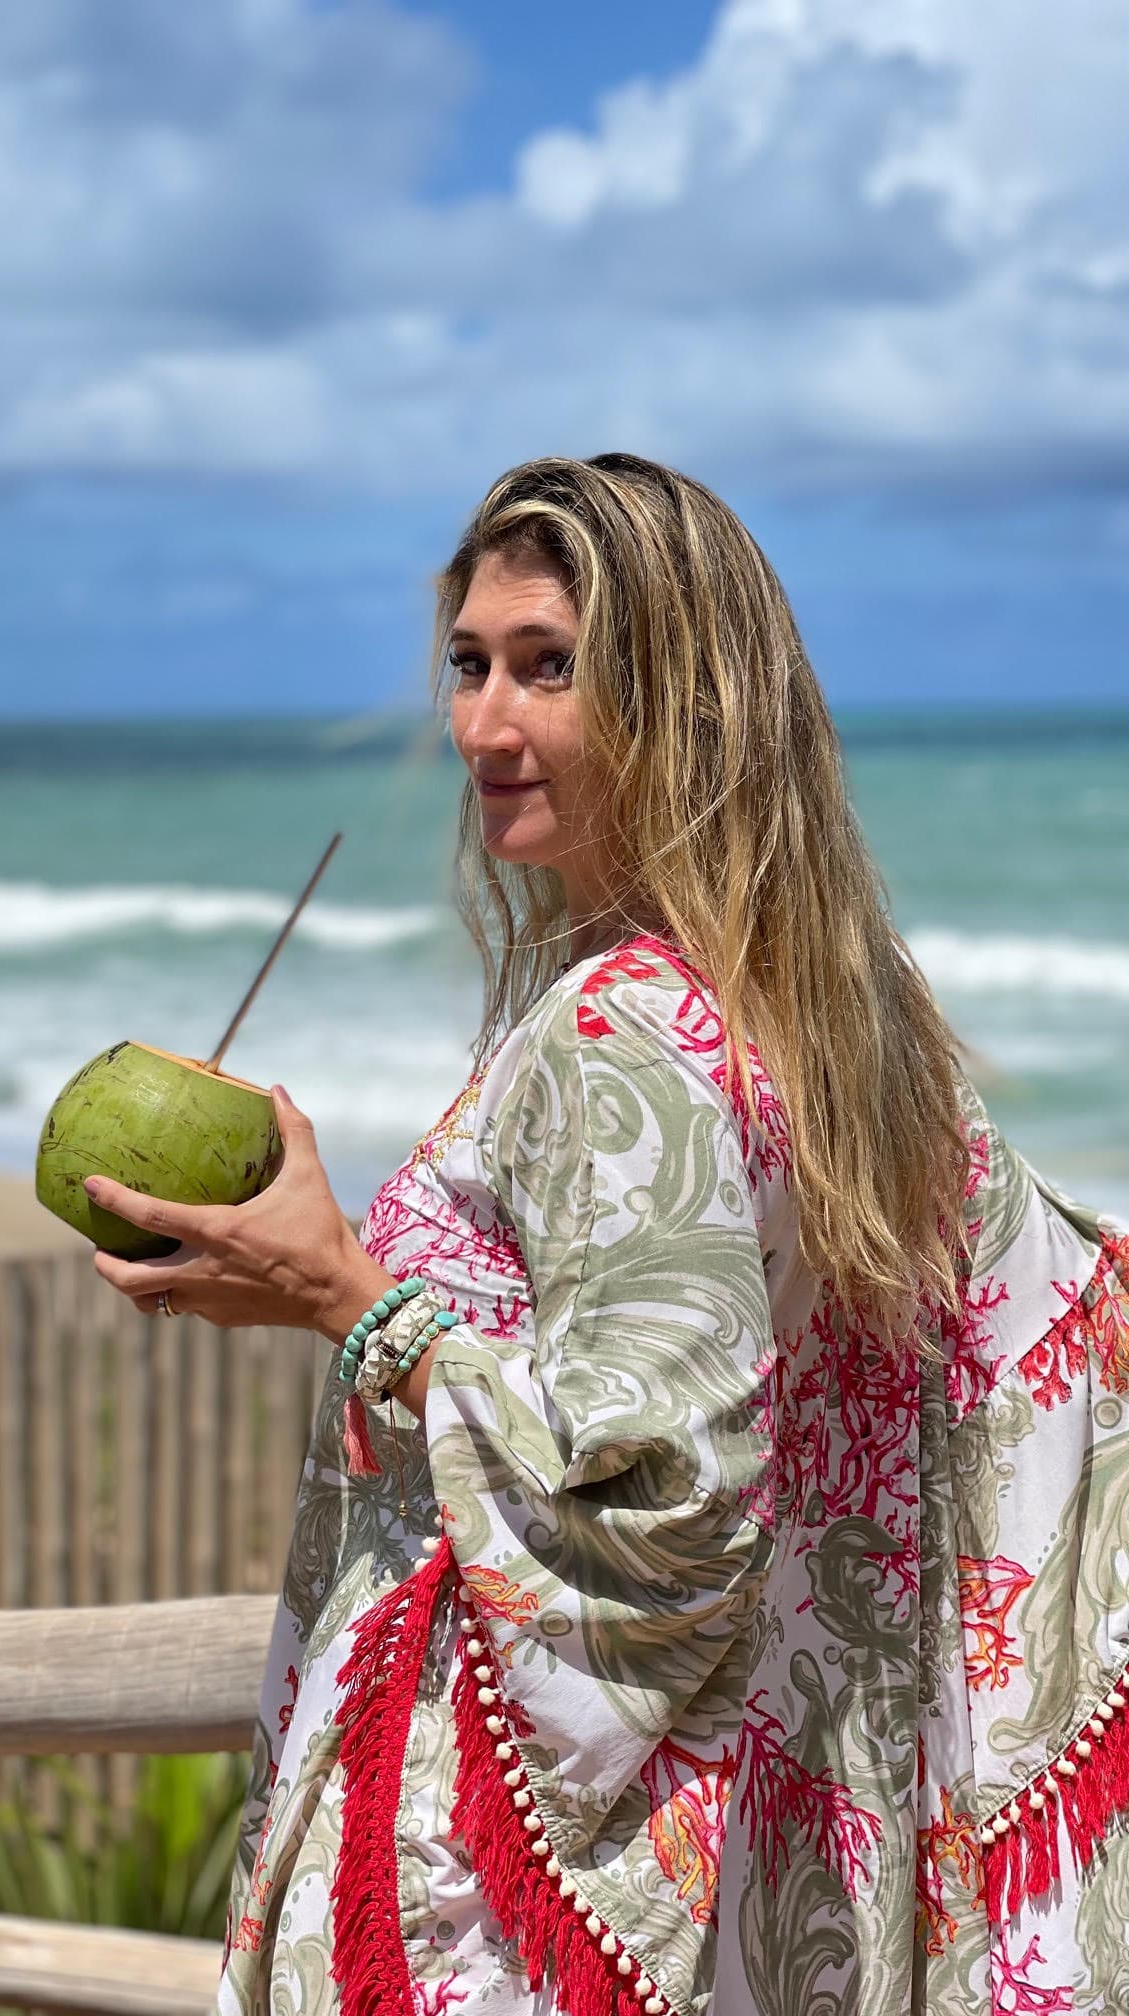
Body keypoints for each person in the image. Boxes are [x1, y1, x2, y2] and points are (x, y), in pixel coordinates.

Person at [84, 454, 1129, 2016]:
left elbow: (668, 1504)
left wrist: (352, 1301)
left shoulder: (622, 1031)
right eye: (469, 664)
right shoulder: (841, 1023)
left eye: (549, 668)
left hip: (522, 1908)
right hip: (780, 1875)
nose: (485, 727)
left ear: (685, 695)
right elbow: (1052, 1317)